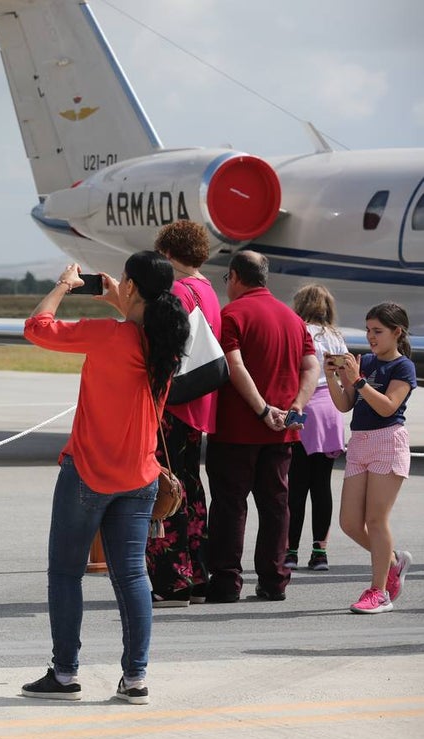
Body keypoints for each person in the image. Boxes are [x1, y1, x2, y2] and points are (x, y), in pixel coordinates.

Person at [19, 252, 188, 705]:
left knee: (66, 573)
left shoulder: (109, 336)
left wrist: (63, 285)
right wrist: (123, 300)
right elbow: (138, 329)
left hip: (89, 474)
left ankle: (65, 672)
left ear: (132, 287)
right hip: (140, 475)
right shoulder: (166, 342)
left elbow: (37, 328)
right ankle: (135, 678)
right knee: (132, 576)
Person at [205, 251, 318, 603]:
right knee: (276, 506)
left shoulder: (232, 315)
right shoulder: (292, 318)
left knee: (229, 505)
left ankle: (226, 581)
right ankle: (274, 580)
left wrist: (261, 409)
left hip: (238, 429)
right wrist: (296, 404)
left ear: (236, 276)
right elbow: (311, 367)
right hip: (282, 430)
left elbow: (233, 364)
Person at [145, 221, 221, 607]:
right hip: (198, 404)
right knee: (190, 486)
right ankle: (198, 572)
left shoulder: (175, 290)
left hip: (172, 403)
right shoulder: (207, 289)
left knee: (165, 487)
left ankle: (173, 580)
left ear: (169, 252)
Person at [325, 302, 415, 614]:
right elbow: (345, 404)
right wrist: (337, 379)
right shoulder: (368, 361)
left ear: (396, 332)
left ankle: (379, 591)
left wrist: (359, 380)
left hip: (387, 442)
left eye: (378, 331)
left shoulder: (403, 367)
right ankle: (391, 561)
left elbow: (389, 407)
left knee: (376, 520)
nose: (371, 336)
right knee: (350, 522)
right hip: (360, 442)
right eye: (368, 330)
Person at [286, 284, 348, 572]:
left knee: (296, 485)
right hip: (331, 411)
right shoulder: (336, 337)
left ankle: (291, 550)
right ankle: (319, 552)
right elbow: (345, 374)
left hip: (304, 407)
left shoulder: (298, 331)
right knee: (322, 485)